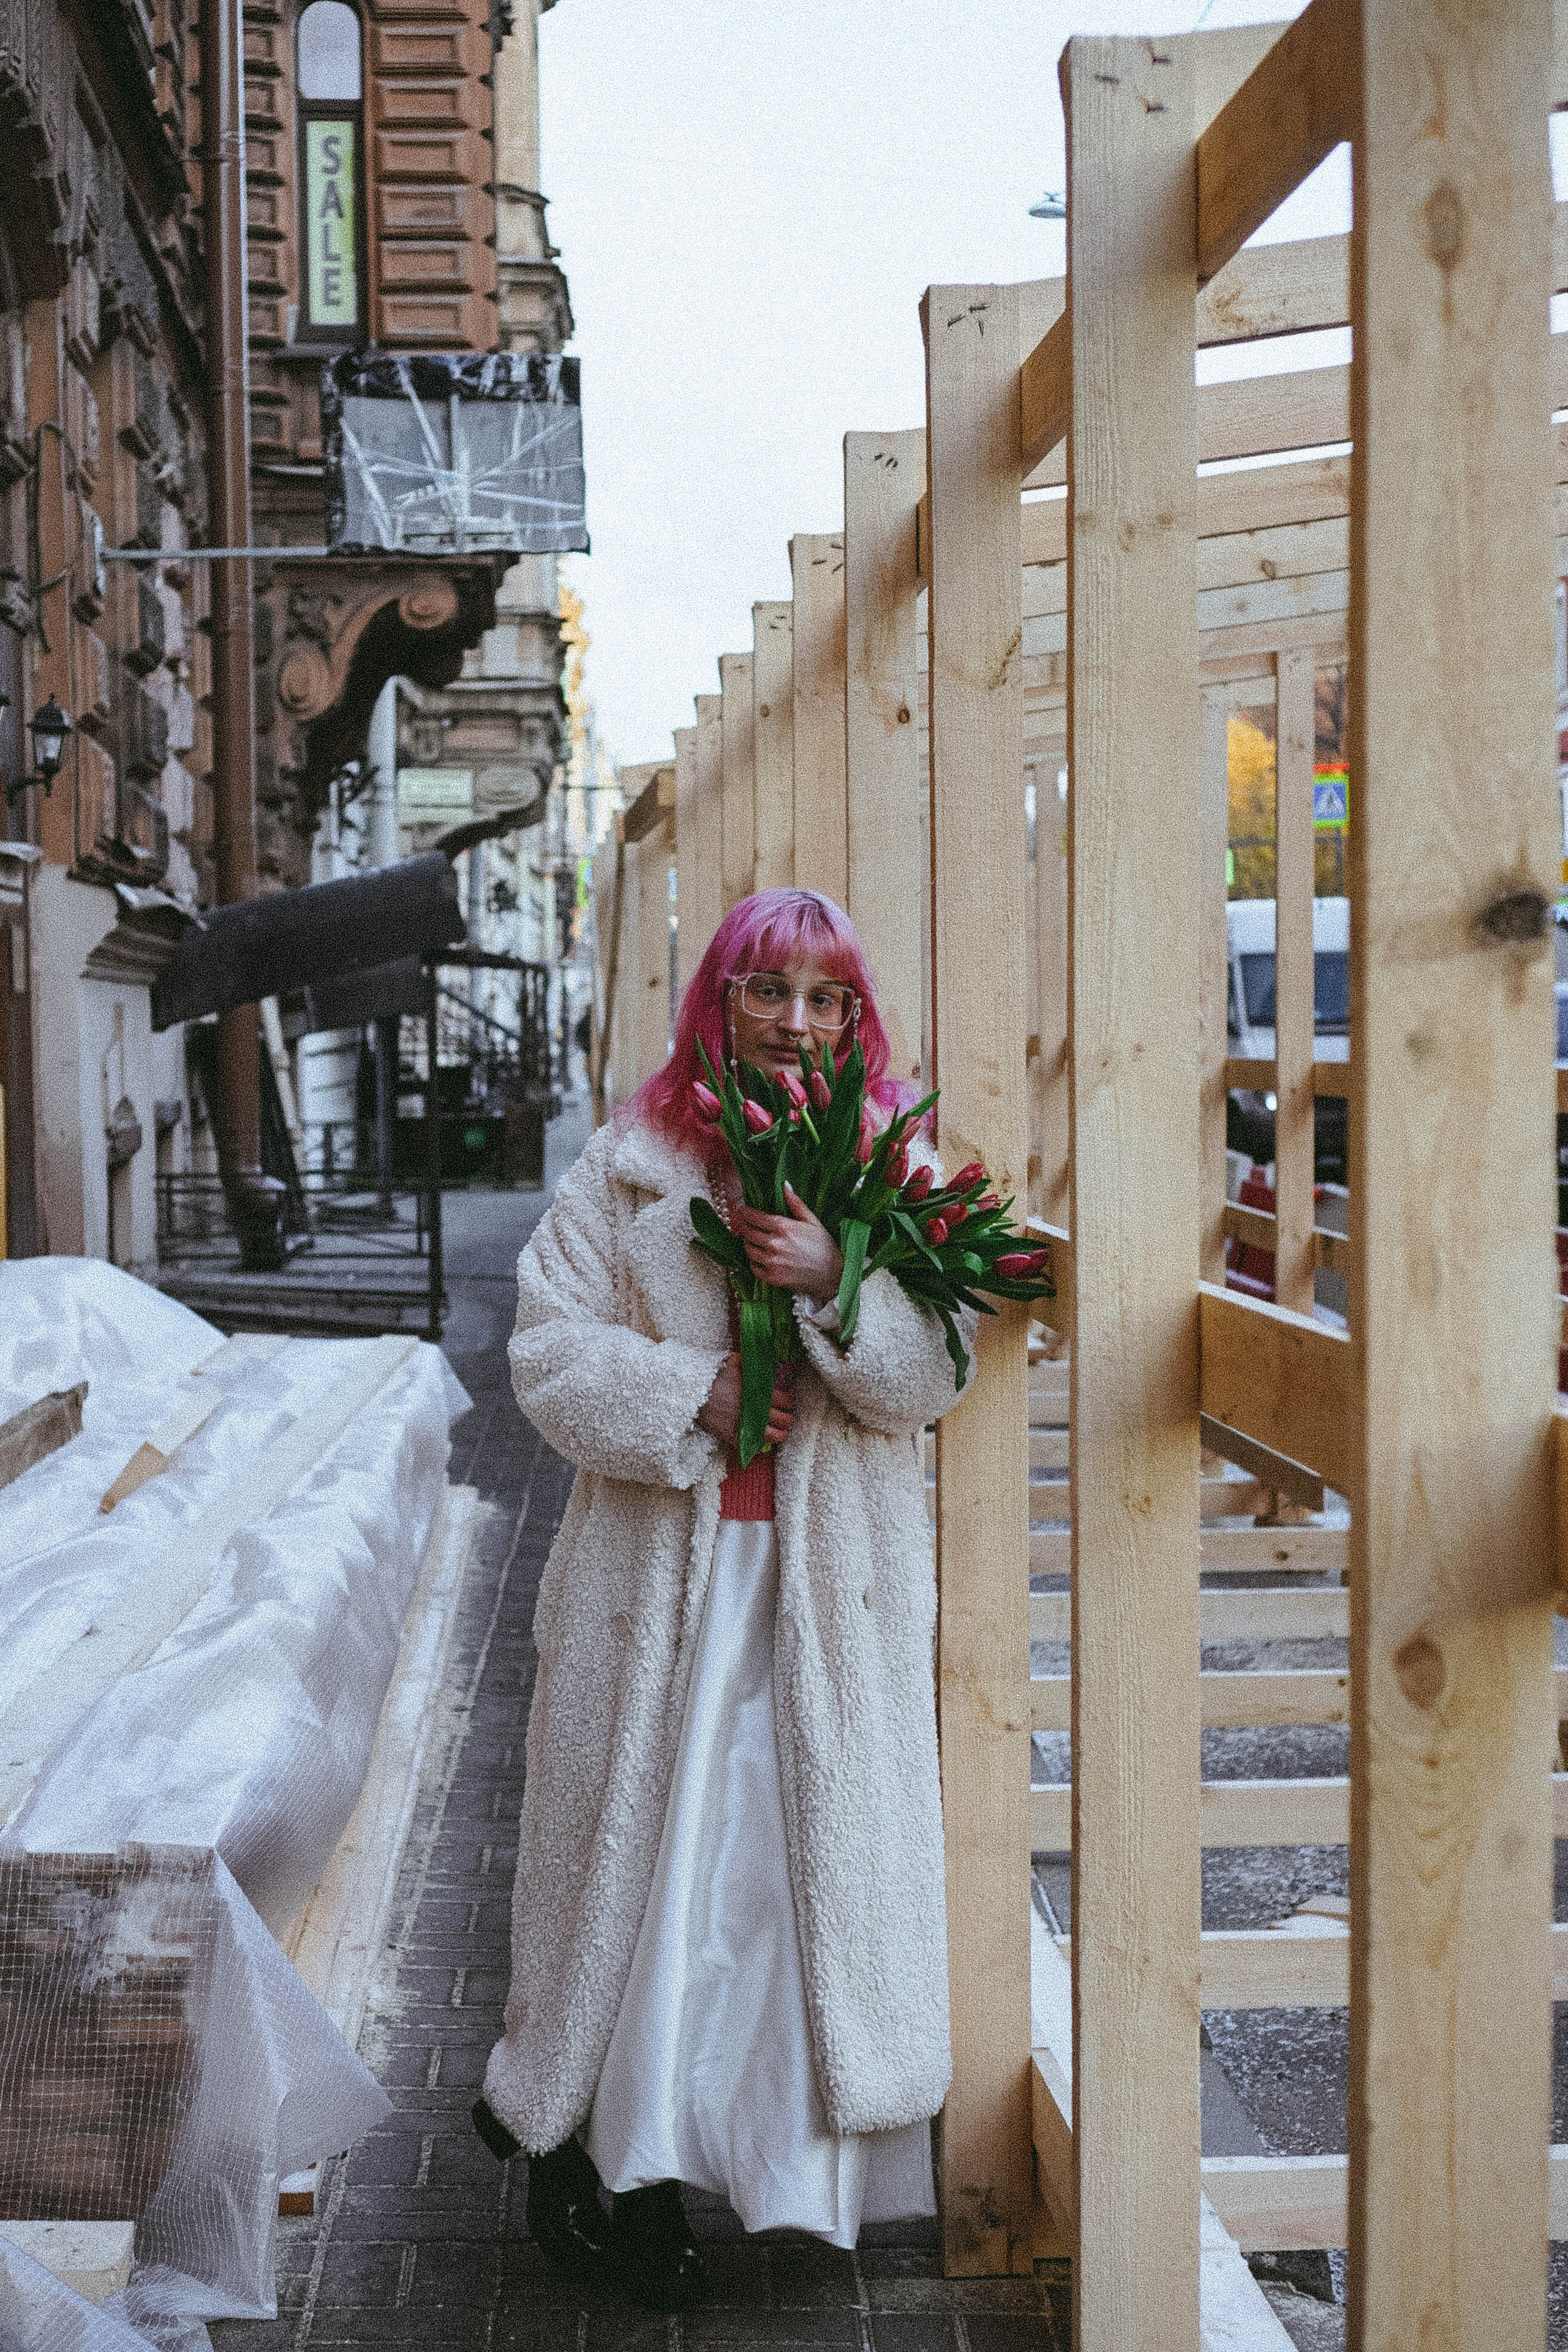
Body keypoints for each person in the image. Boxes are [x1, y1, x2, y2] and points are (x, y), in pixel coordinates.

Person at [472, 888, 974, 2307]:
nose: (796, 1024)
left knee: (773, 1890)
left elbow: (929, 1380)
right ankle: (600, 2162)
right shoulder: (629, 1169)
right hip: (657, 1590)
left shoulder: (893, 1166)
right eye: (768, 992)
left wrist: (834, 1277)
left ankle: (769, 2169)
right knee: (650, 1879)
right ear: (720, 1004)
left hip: (821, 1601)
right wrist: (688, 1389)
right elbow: (544, 1355)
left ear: (852, 1018)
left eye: (825, 999)